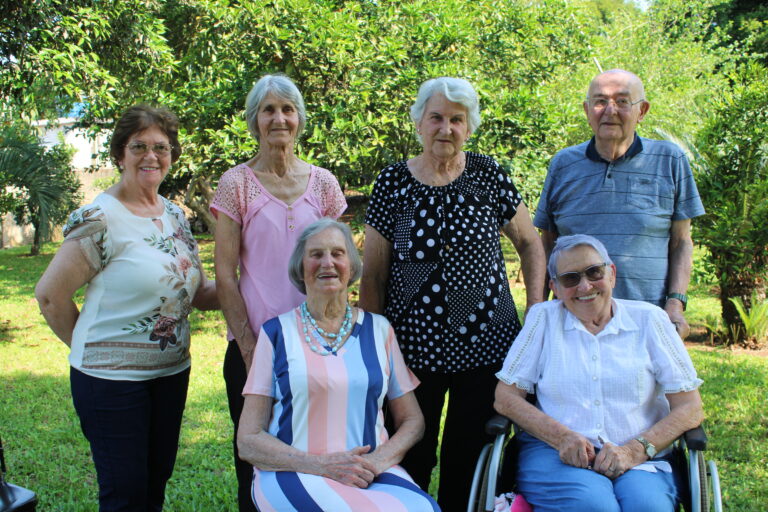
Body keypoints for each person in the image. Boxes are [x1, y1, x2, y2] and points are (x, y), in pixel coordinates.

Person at [359, 76, 545, 510]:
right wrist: (371, 347)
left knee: (471, 458)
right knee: (409, 454)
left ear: (469, 126)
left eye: (457, 119)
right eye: (437, 117)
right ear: (419, 123)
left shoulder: (487, 174)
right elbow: (374, 276)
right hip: (412, 349)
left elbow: (531, 243)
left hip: (487, 346)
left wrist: (536, 313)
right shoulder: (392, 182)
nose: (446, 128)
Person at [35, 104, 218, 511]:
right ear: (120, 154)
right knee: (125, 495)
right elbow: (49, 295)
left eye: (161, 147)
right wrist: (93, 350)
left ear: (172, 156)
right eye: (139, 146)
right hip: (111, 385)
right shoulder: (100, 219)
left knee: (154, 484)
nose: (151, 156)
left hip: (171, 375)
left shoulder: (174, 215)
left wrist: (260, 286)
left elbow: (200, 292)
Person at [211, 74, 347, 511]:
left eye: (288, 109)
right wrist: (250, 349)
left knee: (318, 453)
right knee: (255, 462)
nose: (279, 119)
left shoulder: (324, 183)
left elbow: (339, 266)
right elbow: (225, 274)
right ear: (254, 120)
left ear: (299, 119)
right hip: (257, 347)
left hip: (319, 346)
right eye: (268, 110)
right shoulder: (236, 183)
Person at [237, 218, 440, 512]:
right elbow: (248, 439)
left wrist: (375, 462)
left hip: (369, 472)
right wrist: (322, 465)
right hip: (293, 471)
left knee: (424, 508)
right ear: (301, 267)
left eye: (337, 253)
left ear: (351, 266)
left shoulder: (380, 330)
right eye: (316, 254)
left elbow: (413, 421)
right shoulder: (276, 333)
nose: (327, 263)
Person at [494, 234, 704, 512]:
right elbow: (506, 398)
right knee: (592, 505)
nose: (585, 286)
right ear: (555, 287)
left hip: (643, 456)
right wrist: (561, 437)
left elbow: (690, 407)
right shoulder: (543, 319)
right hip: (555, 453)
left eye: (594, 272)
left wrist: (635, 450)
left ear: (612, 273)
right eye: (570, 278)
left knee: (647, 506)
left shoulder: (650, 319)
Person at [534, 69, 705, 340]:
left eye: (622, 101)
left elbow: (681, 242)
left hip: (647, 323)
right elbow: (547, 245)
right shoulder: (563, 164)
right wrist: (538, 311)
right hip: (573, 324)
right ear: (587, 110)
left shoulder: (670, 160)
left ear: (642, 110)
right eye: (600, 101)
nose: (610, 110)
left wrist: (675, 304)